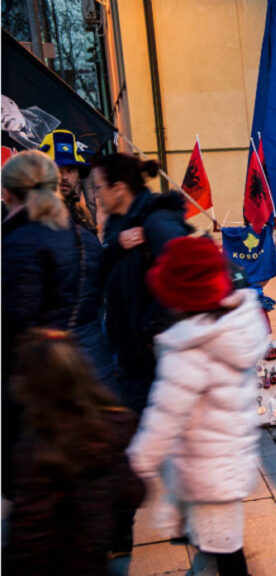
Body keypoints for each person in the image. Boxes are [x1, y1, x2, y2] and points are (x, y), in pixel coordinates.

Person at [127, 236, 268, 576]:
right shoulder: (235, 326)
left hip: (205, 469)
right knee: (222, 541)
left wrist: (137, 463)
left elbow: (164, 416)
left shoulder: (190, 351)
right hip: (230, 457)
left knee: (223, 546)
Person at [2, 151, 117, 499]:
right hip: (93, 364)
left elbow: (15, 323)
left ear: (9, 192)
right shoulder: (82, 235)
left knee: (48, 484)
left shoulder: (20, 241)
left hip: (45, 378)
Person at [4, 329, 145, 575]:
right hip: (94, 556)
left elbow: (29, 533)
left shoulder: (38, 446)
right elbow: (133, 492)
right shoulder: (110, 427)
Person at [93, 153, 191, 415]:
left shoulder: (157, 222)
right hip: (131, 360)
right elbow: (104, 274)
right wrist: (115, 246)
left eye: (98, 187)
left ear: (119, 189)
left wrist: (147, 331)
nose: (96, 195)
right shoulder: (117, 227)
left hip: (159, 361)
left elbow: (186, 281)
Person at [37, 129, 98, 233]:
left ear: (78, 175)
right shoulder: (29, 214)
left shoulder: (83, 217)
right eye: (58, 169)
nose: (64, 177)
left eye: (70, 170)